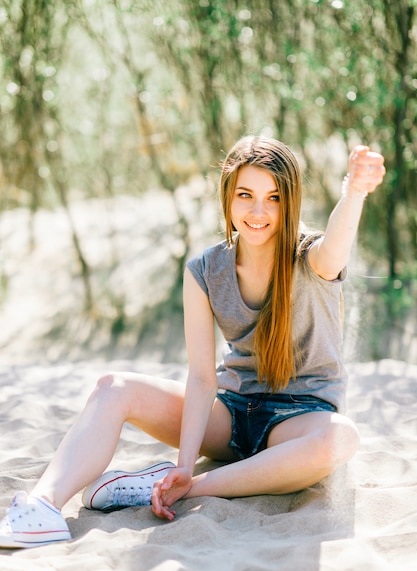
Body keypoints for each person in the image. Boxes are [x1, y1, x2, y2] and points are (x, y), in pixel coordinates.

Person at [0, 136, 385, 548]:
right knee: (114, 388)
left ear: (289, 201)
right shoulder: (204, 270)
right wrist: (183, 462)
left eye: (273, 198)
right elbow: (202, 378)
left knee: (341, 438)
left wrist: (354, 191)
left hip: (298, 424)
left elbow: (336, 245)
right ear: (228, 196)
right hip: (232, 413)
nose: (258, 212)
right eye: (245, 195)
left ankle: (195, 487)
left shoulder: (310, 256)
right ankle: (43, 504)